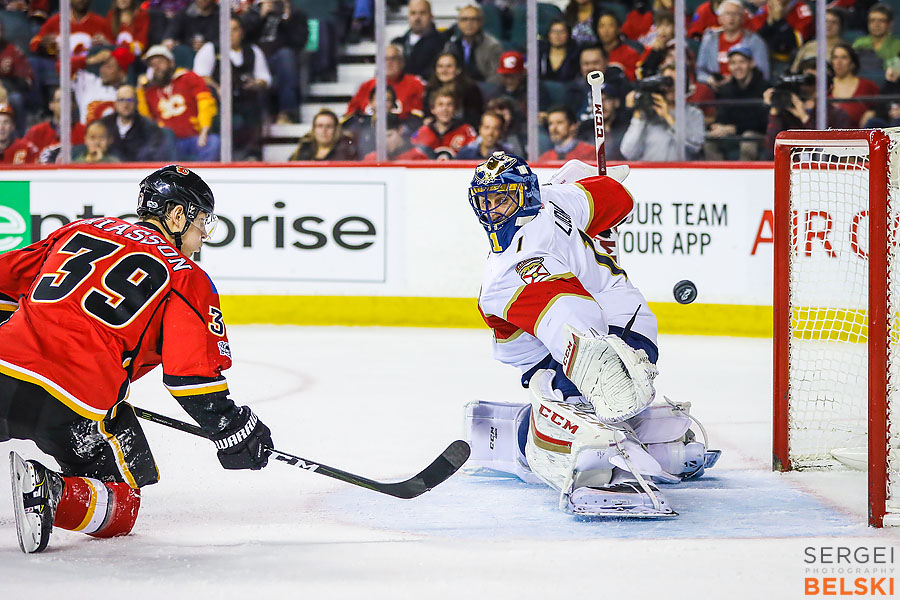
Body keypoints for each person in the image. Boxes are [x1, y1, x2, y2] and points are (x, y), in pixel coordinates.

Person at [1, 165, 273, 554]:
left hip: (3, 363)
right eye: (200, 223)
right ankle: (52, 494)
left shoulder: (81, 229)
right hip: (73, 402)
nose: (200, 239)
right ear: (177, 215)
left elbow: (4, 281)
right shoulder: (186, 275)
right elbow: (191, 379)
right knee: (121, 504)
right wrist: (234, 428)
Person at [463, 151, 718, 516]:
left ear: (525, 195)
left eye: (502, 199)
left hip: (620, 326)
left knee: (605, 384)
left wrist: (578, 381)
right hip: (625, 320)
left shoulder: (511, 267)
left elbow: (577, 321)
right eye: (485, 202)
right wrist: (591, 192)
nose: (493, 211)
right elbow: (618, 198)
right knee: (592, 387)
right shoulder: (555, 198)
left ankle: (569, 439)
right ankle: (624, 442)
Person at [193, 17, 271, 160]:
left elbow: (265, 78)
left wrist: (255, 83)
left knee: (257, 105)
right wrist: (217, 87)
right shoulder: (210, 49)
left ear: (241, 32)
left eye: (235, 29)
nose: (231, 34)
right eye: (227, 30)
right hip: (219, 102)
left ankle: (252, 154)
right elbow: (199, 77)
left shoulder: (252, 51)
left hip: (245, 99)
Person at [138, 44, 219, 161]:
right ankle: (172, 177)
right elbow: (146, 118)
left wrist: (204, 130)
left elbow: (205, 103)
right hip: (168, 143)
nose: (157, 68)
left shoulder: (189, 78)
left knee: (213, 143)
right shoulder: (149, 90)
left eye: (160, 62)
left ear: (171, 63)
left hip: (194, 138)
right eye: (153, 65)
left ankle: (196, 178)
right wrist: (140, 92)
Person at [241, 0, 309, 124]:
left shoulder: (296, 15)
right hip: (254, 58)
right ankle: (258, 119)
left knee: (286, 56)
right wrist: (260, 17)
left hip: (279, 59)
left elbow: (299, 42)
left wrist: (286, 20)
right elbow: (241, 37)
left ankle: (287, 112)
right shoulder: (253, 12)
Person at [621, 64, 706, 161]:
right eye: (668, 82)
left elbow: (696, 146)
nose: (672, 87)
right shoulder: (647, 113)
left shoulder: (694, 114)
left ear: (685, 85)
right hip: (649, 174)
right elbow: (628, 152)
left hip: (681, 173)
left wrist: (668, 117)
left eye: (678, 82)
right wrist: (638, 114)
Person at [704, 46, 769, 161]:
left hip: (757, 135)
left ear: (751, 63)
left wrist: (734, 128)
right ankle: (717, 177)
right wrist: (719, 125)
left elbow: (762, 123)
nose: (737, 67)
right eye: (733, 63)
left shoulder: (764, 88)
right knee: (710, 139)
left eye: (742, 62)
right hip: (733, 133)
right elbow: (723, 115)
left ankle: (744, 178)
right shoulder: (726, 89)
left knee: (748, 139)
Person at [696, 0, 769, 89]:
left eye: (736, 14)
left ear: (743, 18)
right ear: (720, 18)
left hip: (745, 89)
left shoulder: (755, 41)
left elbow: (763, 73)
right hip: (714, 89)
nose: (731, 18)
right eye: (727, 14)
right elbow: (700, 71)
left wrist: (736, 80)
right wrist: (710, 79)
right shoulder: (709, 40)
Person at [344, 44, 425, 122]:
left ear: (402, 62)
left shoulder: (415, 85)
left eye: (393, 58)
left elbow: (419, 117)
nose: (389, 63)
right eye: (384, 59)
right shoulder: (366, 86)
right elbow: (350, 115)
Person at [101, 84, 174, 161]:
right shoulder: (104, 125)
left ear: (136, 103)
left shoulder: (149, 127)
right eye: (121, 100)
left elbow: (153, 157)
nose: (125, 104)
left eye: (130, 100)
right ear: (115, 103)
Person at [69, 45, 133, 124]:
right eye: (103, 65)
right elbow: (61, 67)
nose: (103, 70)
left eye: (109, 67)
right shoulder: (89, 81)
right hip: (85, 135)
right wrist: (90, 60)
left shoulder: (129, 95)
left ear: (121, 73)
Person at [442, 4, 504, 83]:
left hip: (483, 89)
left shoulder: (492, 46)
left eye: (473, 19)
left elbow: (497, 77)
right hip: (456, 88)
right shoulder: (451, 46)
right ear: (458, 23)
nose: (469, 23)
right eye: (464, 19)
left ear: (481, 22)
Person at [23, 87, 87, 163]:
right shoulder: (36, 132)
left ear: (74, 105)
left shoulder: (84, 131)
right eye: (60, 100)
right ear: (51, 105)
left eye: (68, 100)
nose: (64, 104)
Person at [412, 86, 476, 159]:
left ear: (454, 108)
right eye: (440, 104)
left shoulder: (465, 131)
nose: (445, 109)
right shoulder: (422, 132)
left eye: (449, 105)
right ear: (433, 109)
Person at [424, 51, 483, 128]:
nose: (444, 70)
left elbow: (474, 118)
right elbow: (427, 114)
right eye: (440, 66)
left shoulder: (470, 89)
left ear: (458, 70)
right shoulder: (431, 88)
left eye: (449, 66)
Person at [391, 0, 446, 80]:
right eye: (413, 13)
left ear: (431, 16)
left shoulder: (442, 42)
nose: (417, 18)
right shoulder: (397, 43)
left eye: (422, 13)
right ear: (408, 16)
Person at [829, 41, 879, 127]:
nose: (838, 62)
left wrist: (874, 113)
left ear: (852, 63)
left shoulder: (867, 85)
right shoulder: (824, 86)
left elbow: (883, 108)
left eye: (844, 57)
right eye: (835, 57)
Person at [852, 3, 900, 80]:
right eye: (872, 21)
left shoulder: (898, 45)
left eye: (881, 21)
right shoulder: (859, 43)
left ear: (890, 24)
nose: (876, 25)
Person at [289, 108, 357, 160]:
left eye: (329, 126)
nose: (324, 130)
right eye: (320, 126)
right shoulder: (303, 150)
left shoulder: (346, 153)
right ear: (314, 129)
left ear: (336, 130)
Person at [791, 7, 845, 72]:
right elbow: (794, 70)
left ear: (840, 26)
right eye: (825, 21)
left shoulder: (845, 49)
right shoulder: (808, 46)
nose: (829, 25)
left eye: (834, 22)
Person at [362, 113, 428, 161]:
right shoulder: (372, 159)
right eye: (380, 137)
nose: (385, 142)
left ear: (400, 130)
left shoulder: (417, 158)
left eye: (389, 135)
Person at [538, 19, 580, 83]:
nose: (557, 35)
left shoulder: (576, 54)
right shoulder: (541, 53)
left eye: (562, 32)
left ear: (568, 34)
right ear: (549, 34)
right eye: (554, 31)